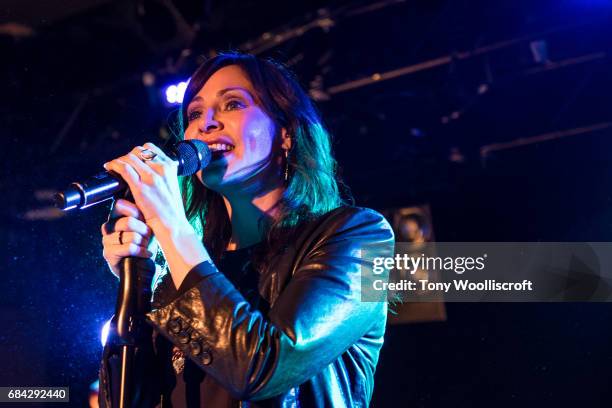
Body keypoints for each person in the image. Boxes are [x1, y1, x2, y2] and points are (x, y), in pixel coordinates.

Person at [98, 52, 394, 407]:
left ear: (286, 133)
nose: (205, 124)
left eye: (232, 104)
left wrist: (169, 223)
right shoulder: (183, 267)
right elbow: (124, 399)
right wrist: (139, 283)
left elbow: (264, 369)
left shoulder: (361, 237)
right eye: (194, 113)